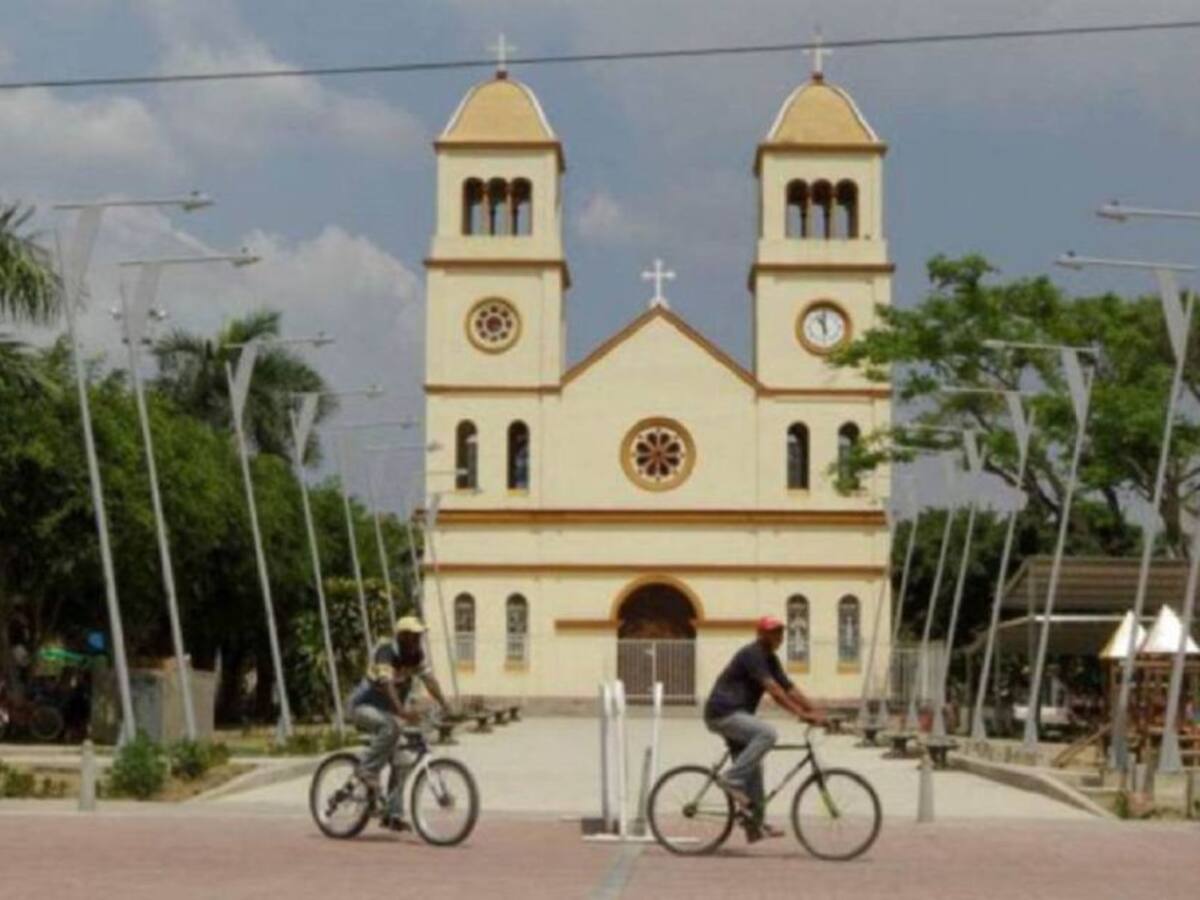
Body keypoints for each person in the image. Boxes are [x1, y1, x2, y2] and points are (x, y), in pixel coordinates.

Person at [704, 615, 825, 841]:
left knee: (755, 769)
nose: (778, 636)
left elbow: (788, 688)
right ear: (761, 635)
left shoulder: (771, 659)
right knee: (767, 733)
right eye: (772, 632)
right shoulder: (753, 654)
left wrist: (815, 711)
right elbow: (774, 691)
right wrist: (800, 714)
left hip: (738, 714)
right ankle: (730, 779)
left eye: (780, 632)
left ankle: (754, 825)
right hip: (723, 713)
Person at [348, 616, 451, 829]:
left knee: (402, 760)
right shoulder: (386, 651)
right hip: (363, 706)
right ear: (402, 637)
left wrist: (444, 703)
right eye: (413, 636)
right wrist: (402, 711)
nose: (418, 641)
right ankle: (366, 770)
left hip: (387, 711)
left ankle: (392, 815)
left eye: (419, 636)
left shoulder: (416, 655)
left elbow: (429, 680)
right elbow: (386, 684)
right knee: (391, 726)